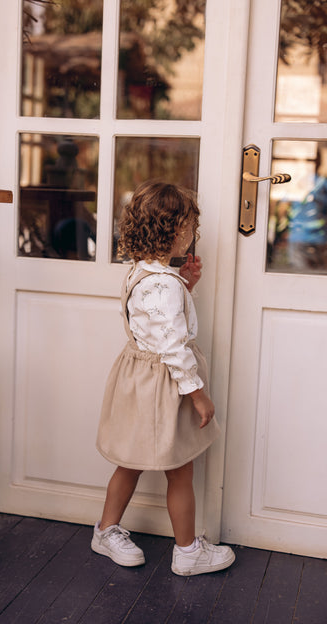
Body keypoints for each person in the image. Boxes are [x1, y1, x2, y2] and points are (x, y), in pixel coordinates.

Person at [91, 180, 235, 576]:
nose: (193, 235)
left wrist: (185, 285)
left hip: (140, 380)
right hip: (167, 384)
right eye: (190, 228)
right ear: (174, 231)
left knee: (130, 462)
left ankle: (106, 530)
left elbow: (155, 322)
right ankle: (188, 552)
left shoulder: (145, 273)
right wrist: (198, 394)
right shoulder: (162, 283)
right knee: (180, 468)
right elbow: (172, 346)